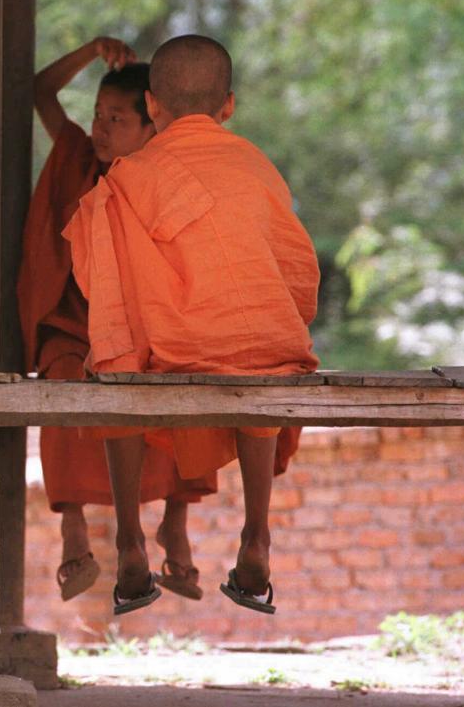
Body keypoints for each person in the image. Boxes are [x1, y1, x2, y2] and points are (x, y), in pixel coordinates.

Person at [63, 34, 320, 616]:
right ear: (228, 105)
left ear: (152, 106)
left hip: (170, 352)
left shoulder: (128, 177)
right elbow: (296, 272)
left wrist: (119, 344)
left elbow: (108, 292)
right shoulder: (259, 168)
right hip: (263, 347)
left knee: (116, 357)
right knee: (265, 355)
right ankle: (257, 532)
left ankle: (130, 540)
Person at [18, 37, 215, 603]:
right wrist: (87, 51)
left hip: (146, 327)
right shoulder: (79, 158)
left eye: (117, 118)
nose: (100, 129)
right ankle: (72, 526)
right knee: (61, 383)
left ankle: (175, 521)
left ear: (151, 123)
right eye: (98, 115)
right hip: (74, 326)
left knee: (184, 381)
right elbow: (39, 91)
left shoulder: (165, 175)